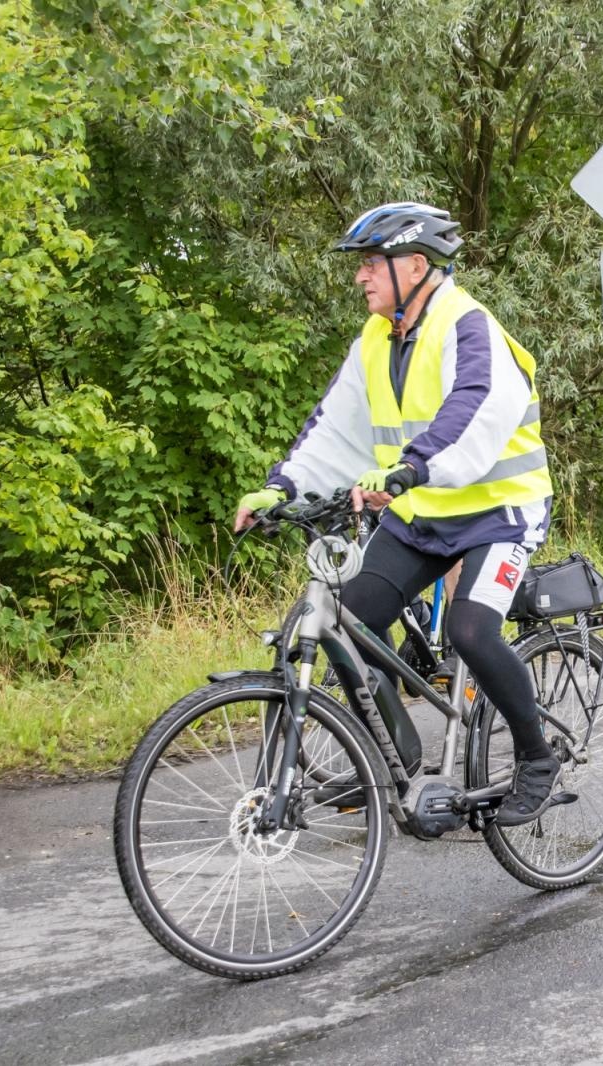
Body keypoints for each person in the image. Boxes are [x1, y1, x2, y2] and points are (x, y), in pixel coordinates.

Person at [232, 202, 560, 825]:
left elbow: (473, 411)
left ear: (416, 265)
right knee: (349, 624)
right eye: (360, 267)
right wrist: (282, 489)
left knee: (469, 630)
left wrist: (411, 466)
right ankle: (395, 763)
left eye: (371, 264)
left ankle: (537, 757)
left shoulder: (469, 325)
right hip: (420, 513)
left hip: (500, 511)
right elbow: (334, 429)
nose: (361, 277)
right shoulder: (376, 340)